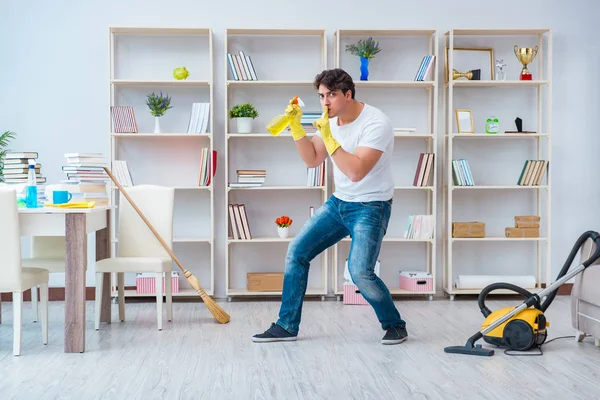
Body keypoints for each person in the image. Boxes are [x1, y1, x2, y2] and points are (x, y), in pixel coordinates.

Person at [252, 68, 407, 345]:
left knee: (360, 272)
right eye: (321, 96)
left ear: (348, 95)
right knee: (296, 251)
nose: (325, 102)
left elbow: (356, 171)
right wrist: (297, 128)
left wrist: (329, 136)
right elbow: (312, 159)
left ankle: (394, 324)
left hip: (372, 205)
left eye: (331, 95)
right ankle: (287, 325)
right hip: (340, 202)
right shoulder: (330, 120)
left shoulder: (376, 124)